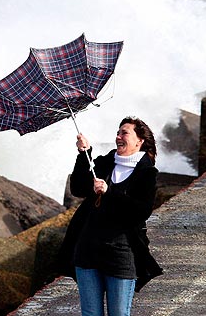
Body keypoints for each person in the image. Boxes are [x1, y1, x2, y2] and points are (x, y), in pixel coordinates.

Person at [58, 116, 163, 316]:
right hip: (88, 250)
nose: (118, 137)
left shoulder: (146, 173)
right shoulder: (104, 163)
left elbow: (142, 211)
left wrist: (110, 192)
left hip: (121, 254)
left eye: (124, 133)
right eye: (117, 132)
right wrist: (83, 154)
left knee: (119, 313)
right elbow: (78, 188)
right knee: (90, 313)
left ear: (139, 141)